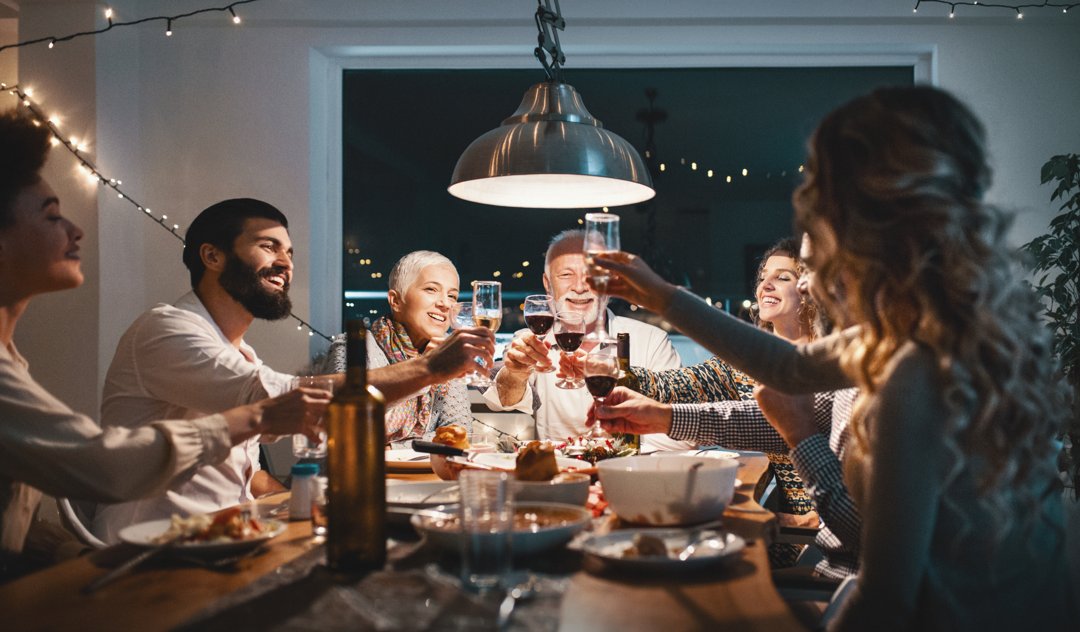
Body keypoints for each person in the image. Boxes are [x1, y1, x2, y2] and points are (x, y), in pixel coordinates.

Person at [594, 86, 1071, 630]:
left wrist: (799, 438)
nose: (809, 207)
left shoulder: (917, 368)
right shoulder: (905, 331)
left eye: (821, 189)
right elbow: (787, 373)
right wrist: (662, 310)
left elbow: (886, 598)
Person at [0, 108, 327, 580]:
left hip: (193, 552)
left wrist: (68, 556)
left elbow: (17, 514)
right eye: (52, 216)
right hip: (163, 554)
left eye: (289, 251)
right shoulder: (166, 329)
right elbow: (101, 465)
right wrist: (255, 417)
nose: (76, 230)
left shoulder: (13, 361)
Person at [92, 201, 494, 543]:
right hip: (152, 550)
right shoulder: (166, 329)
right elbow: (281, 400)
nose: (285, 263)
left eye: (289, 252)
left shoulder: (240, 351)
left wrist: (287, 497)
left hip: (227, 537)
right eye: (269, 247)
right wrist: (430, 368)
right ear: (212, 256)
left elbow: (252, 452)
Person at [483, 229, 680, 447]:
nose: (579, 287)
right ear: (548, 284)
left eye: (591, 275)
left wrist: (610, 453)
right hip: (559, 475)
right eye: (566, 275)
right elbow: (505, 401)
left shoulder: (653, 341)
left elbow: (680, 440)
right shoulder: (531, 340)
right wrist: (515, 373)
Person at [326, 250, 471, 442]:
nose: (445, 304)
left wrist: (394, 448)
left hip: (424, 472)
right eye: (431, 289)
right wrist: (423, 370)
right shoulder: (351, 348)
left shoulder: (447, 355)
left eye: (452, 295)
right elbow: (348, 429)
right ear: (396, 301)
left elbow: (460, 434)